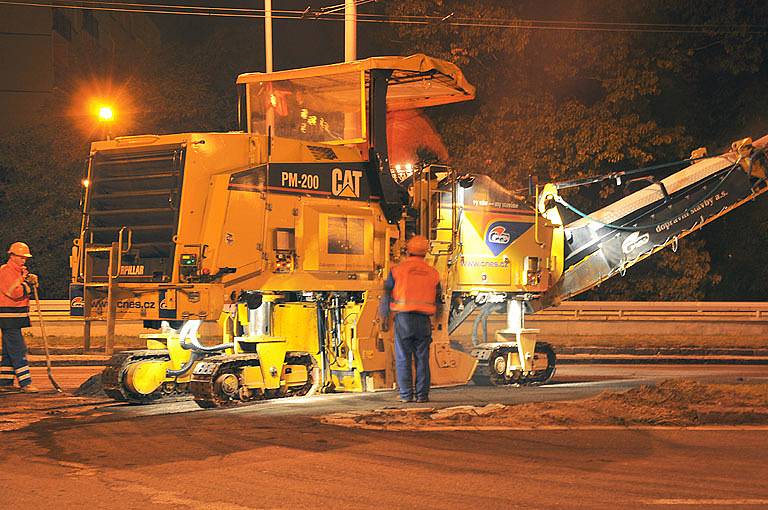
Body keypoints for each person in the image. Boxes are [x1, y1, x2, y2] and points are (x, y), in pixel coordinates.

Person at [380, 235, 442, 403]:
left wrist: (384, 317)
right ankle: (422, 396)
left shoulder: (397, 270)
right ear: (426, 252)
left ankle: (406, 395)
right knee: (422, 359)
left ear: (407, 250)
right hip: (423, 321)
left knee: (403, 358)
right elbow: (439, 299)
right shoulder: (433, 273)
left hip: (404, 319)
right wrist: (437, 321)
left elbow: (386, 293)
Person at [0, 242, 39, 393]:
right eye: (21, 257)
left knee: (9, 350)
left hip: (14, 315)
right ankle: (26, 382)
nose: (24, 260)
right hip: (8, 315)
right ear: (12, 256)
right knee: (18, 348)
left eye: (25, 257)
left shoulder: (19, 272)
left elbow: (21, 286)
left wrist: (28, 279)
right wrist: (28, 285)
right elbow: (14, 292)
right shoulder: (6, 271)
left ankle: (5, 381)